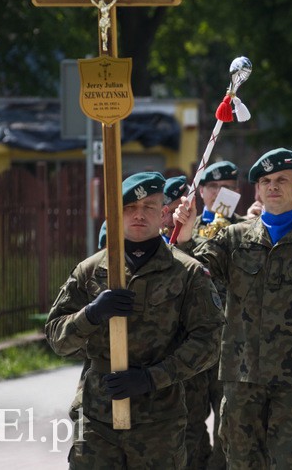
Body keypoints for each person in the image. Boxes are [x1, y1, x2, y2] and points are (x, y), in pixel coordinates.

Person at [174, 147, 292, 470]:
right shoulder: (233, 238)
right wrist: (186, 234)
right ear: (257, 189)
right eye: (266, 181)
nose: (273, 186)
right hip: (242, 381)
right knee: (242, 463)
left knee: (289, 463)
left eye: (282, 180)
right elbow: (195, 278)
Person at [45, 171, 224, 468]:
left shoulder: (187, 273)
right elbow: (56, 337)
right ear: (116, 214)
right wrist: (91, 314)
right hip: (98, 417)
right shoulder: (91, 271)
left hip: (159, 421)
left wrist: (151, 378)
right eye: (129, 208)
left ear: (163, 213)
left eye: (149, 207)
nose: (138, 215)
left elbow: (209, 343)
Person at [193, 160, 244, 240]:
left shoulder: (246, 227)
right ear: (201, 191)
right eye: (212, 186)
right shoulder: (187, 228)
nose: (218, 193)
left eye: (226, 187)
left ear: (236, 192)